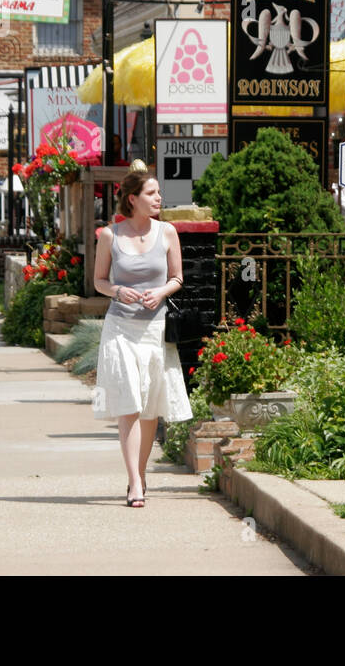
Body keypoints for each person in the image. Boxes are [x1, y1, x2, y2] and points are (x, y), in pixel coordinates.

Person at [92, 167, 190, 507]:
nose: (159, 198)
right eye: (152, 194)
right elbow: (99, 282)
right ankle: (134, 481)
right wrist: (118, 291)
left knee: (149, 408)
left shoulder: (167, 233)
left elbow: (178, 278)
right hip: (120, 328)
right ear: (132, 199)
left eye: (159, 193)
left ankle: (141, 472)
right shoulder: (109, 236)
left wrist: (160, 292)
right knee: (129, 403)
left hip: (154, 329)